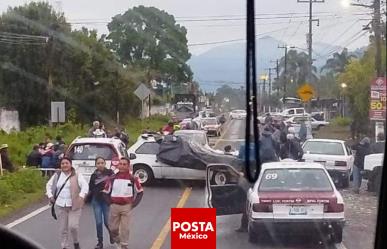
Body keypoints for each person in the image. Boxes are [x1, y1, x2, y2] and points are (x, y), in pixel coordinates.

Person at [46, 157, 89, 249]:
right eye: (62, 163)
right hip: (61, 205)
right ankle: (64, 246)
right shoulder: (57, 175)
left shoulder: (77, 175)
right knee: (63, 228)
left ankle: (76, 242)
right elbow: (48, 185)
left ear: (70, 164)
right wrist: (50, 195)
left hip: (74, 205)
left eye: (66, 163)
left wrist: (81, 196)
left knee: (73, 226)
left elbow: (85, 186)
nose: (64, 165)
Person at [103, 158, 143, 249]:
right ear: (118, 165)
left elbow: (140, 192)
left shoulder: (133, 178)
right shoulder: (112, 178)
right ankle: (118, 241)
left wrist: (133, 204)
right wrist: (110, 203)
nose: (122, 166)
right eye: (120, 164)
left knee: (125, 228)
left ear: (128, 166)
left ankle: (124, 245)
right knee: (113, 228)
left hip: (127, 206)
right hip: (114, 206)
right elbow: (105, 192)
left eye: (124, 164)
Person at [88, 157, 114, 249]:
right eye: (98, 163)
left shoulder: (110, 173)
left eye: (102, 163)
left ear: (105, 163)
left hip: (106, 201)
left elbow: (114, 184)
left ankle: (112, 234)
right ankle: (100, 242)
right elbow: (90, 188)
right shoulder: (93, 175)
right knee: (98, 222)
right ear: (95, 165)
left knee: (107, 222)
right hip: (96, 200)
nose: (100, 164)